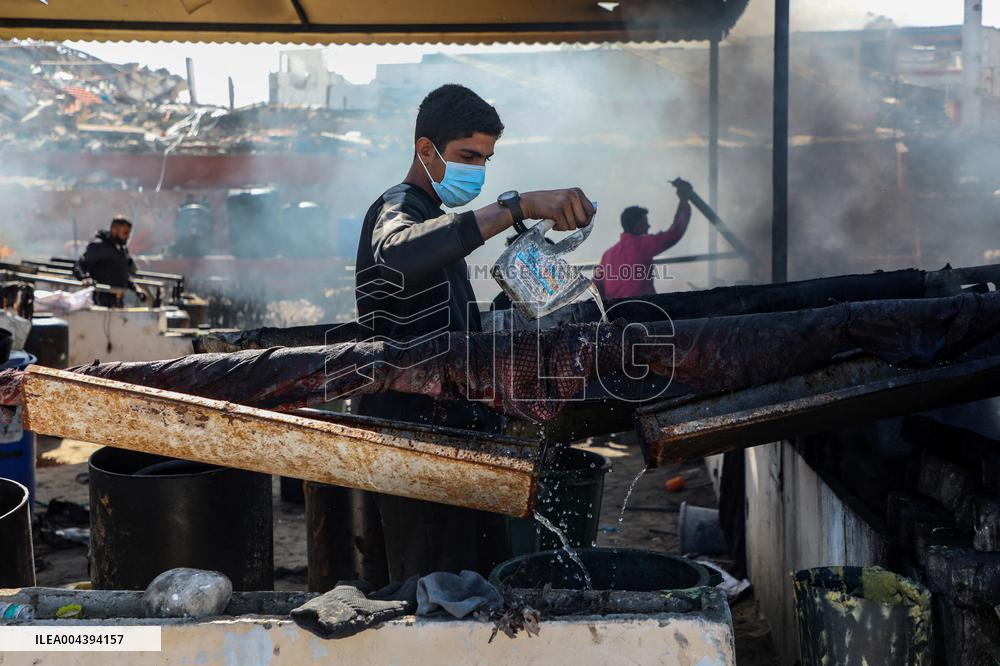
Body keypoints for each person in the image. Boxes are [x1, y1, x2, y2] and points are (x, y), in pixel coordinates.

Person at [354, 84, 595, 581]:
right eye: (467, 156)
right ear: (425, 149)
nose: (478, 171)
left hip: (449, 429)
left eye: (485, 159)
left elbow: (446, 321)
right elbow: (397, 252)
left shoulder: (437, 222)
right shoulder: (398, 207)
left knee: (468, 579)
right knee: (430, 585)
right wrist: (518, 206)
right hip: (411, 437)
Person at [593, 192, 692, 301]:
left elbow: (596, 285)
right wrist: (684, 200)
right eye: (646, 222)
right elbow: (675, 233)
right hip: (642, 309)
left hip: (615, 312)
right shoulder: (643, 244)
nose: (649, 226)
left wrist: (605, 309)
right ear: (637, 226)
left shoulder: (607, 255)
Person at [74, 216, 144, 307]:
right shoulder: (100, 246)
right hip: (100, 300)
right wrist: (84, 278)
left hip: (117, 301)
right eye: (125, 233)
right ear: (114, 230)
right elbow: (79, 265)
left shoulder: (122, 249)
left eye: (129, 234)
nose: (127, 237)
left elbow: (121, 273)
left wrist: (135, 288)